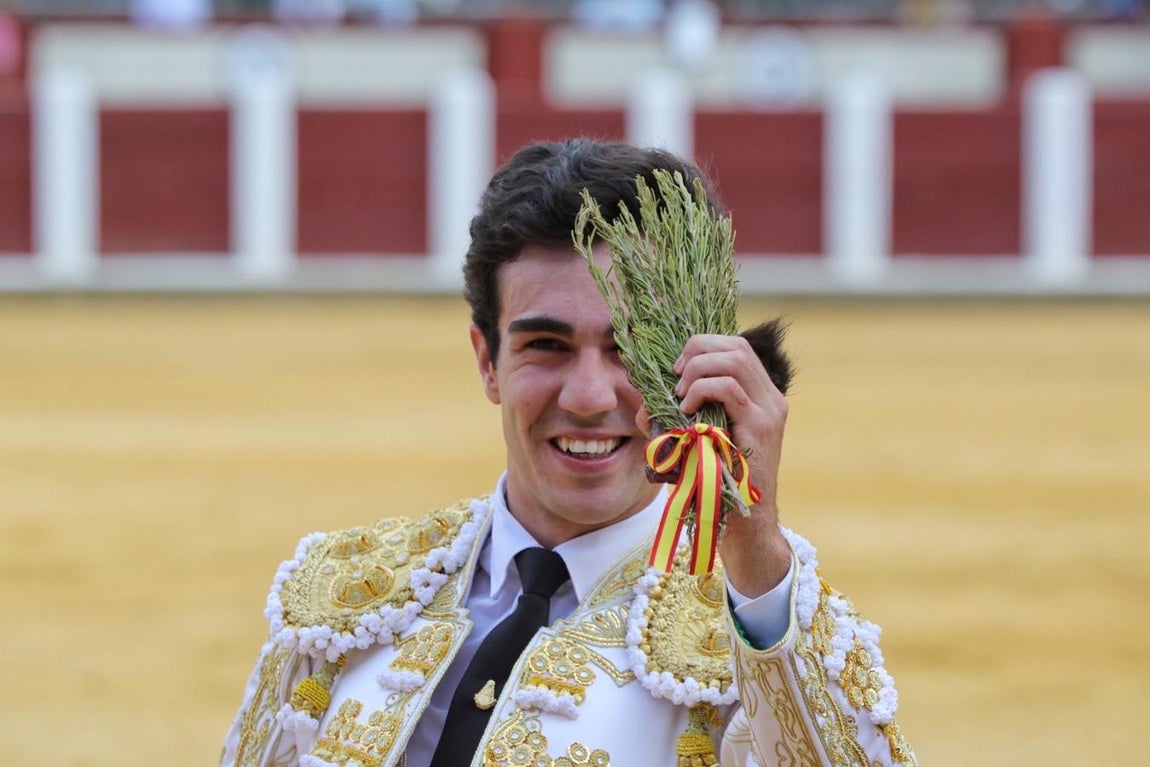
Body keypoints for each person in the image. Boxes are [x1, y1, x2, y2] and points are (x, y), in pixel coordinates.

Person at [220, 138, 917, 767]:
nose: (588, 396)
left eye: (630, 348)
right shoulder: (344, 599)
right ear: (487, 362)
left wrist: (755, 547)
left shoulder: (759, 621)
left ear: (698, 362)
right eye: (546, 345)